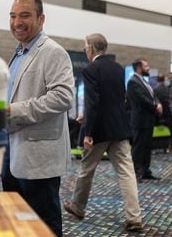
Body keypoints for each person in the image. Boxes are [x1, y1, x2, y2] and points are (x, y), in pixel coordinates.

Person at [2, 0, 73, 237]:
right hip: (13, 148)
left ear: (41, 19)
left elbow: (63, 98)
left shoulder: (53, 51)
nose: (16, 22)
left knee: (43, 223)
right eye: (12, 16)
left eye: (24, 16)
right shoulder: (19, 53)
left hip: (39, 155)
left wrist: (13, 110)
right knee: (17, 217)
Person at [63, 34, 143, 232]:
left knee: (86, 170)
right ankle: (135, 218)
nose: (84, 50)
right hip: (119, 128)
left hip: (98, 130)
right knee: (127, 173)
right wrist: (86, 116)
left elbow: (93, 102)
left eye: (85, 46)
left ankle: (78, 207)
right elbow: (116, 99)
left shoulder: (91, 69)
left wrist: (88, 132)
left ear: (90, 48)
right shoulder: (118, 68)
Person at [127, 58, 162, 182]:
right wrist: (155, 107)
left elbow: (153, 96)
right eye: (146, 66)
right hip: (140, 121)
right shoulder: (133, 82)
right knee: (138, 148)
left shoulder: (144, 81)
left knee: (147, 147)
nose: (149, 68)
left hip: (148, 120)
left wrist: (157, 103)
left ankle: (145, 171)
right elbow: (141, 100)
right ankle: (134, 174)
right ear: (139, 68)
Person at [154, 73, 172, 150]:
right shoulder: (168, 89)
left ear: (157, 80)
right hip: (169, 112)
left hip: (159, 113)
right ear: (164, 80)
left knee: (158, 130)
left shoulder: (155, 89)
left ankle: (159, 145)